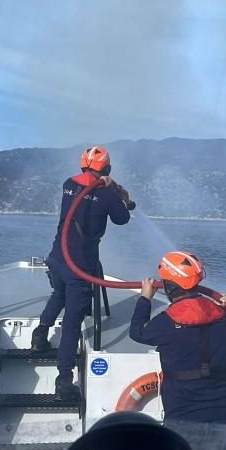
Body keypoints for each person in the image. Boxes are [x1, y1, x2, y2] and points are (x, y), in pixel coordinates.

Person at [31, 145, 134, 399]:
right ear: (107, 169)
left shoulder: (68, 184)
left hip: (57, 257)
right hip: (80, 266)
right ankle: (64, 381)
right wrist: (118, 191)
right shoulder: (107, 194)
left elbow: (84, 194)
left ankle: (39, 334)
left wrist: (107, 185)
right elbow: (122, 218)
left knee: (59, 293)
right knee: (72, 322)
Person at [129, 251, 226, 450]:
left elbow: (137, 332)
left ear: (169, 286)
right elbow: (225, 324)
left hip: (183, 418)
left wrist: (145, 298)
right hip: (222, 417)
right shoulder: (222, 317)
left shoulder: (166, 322)